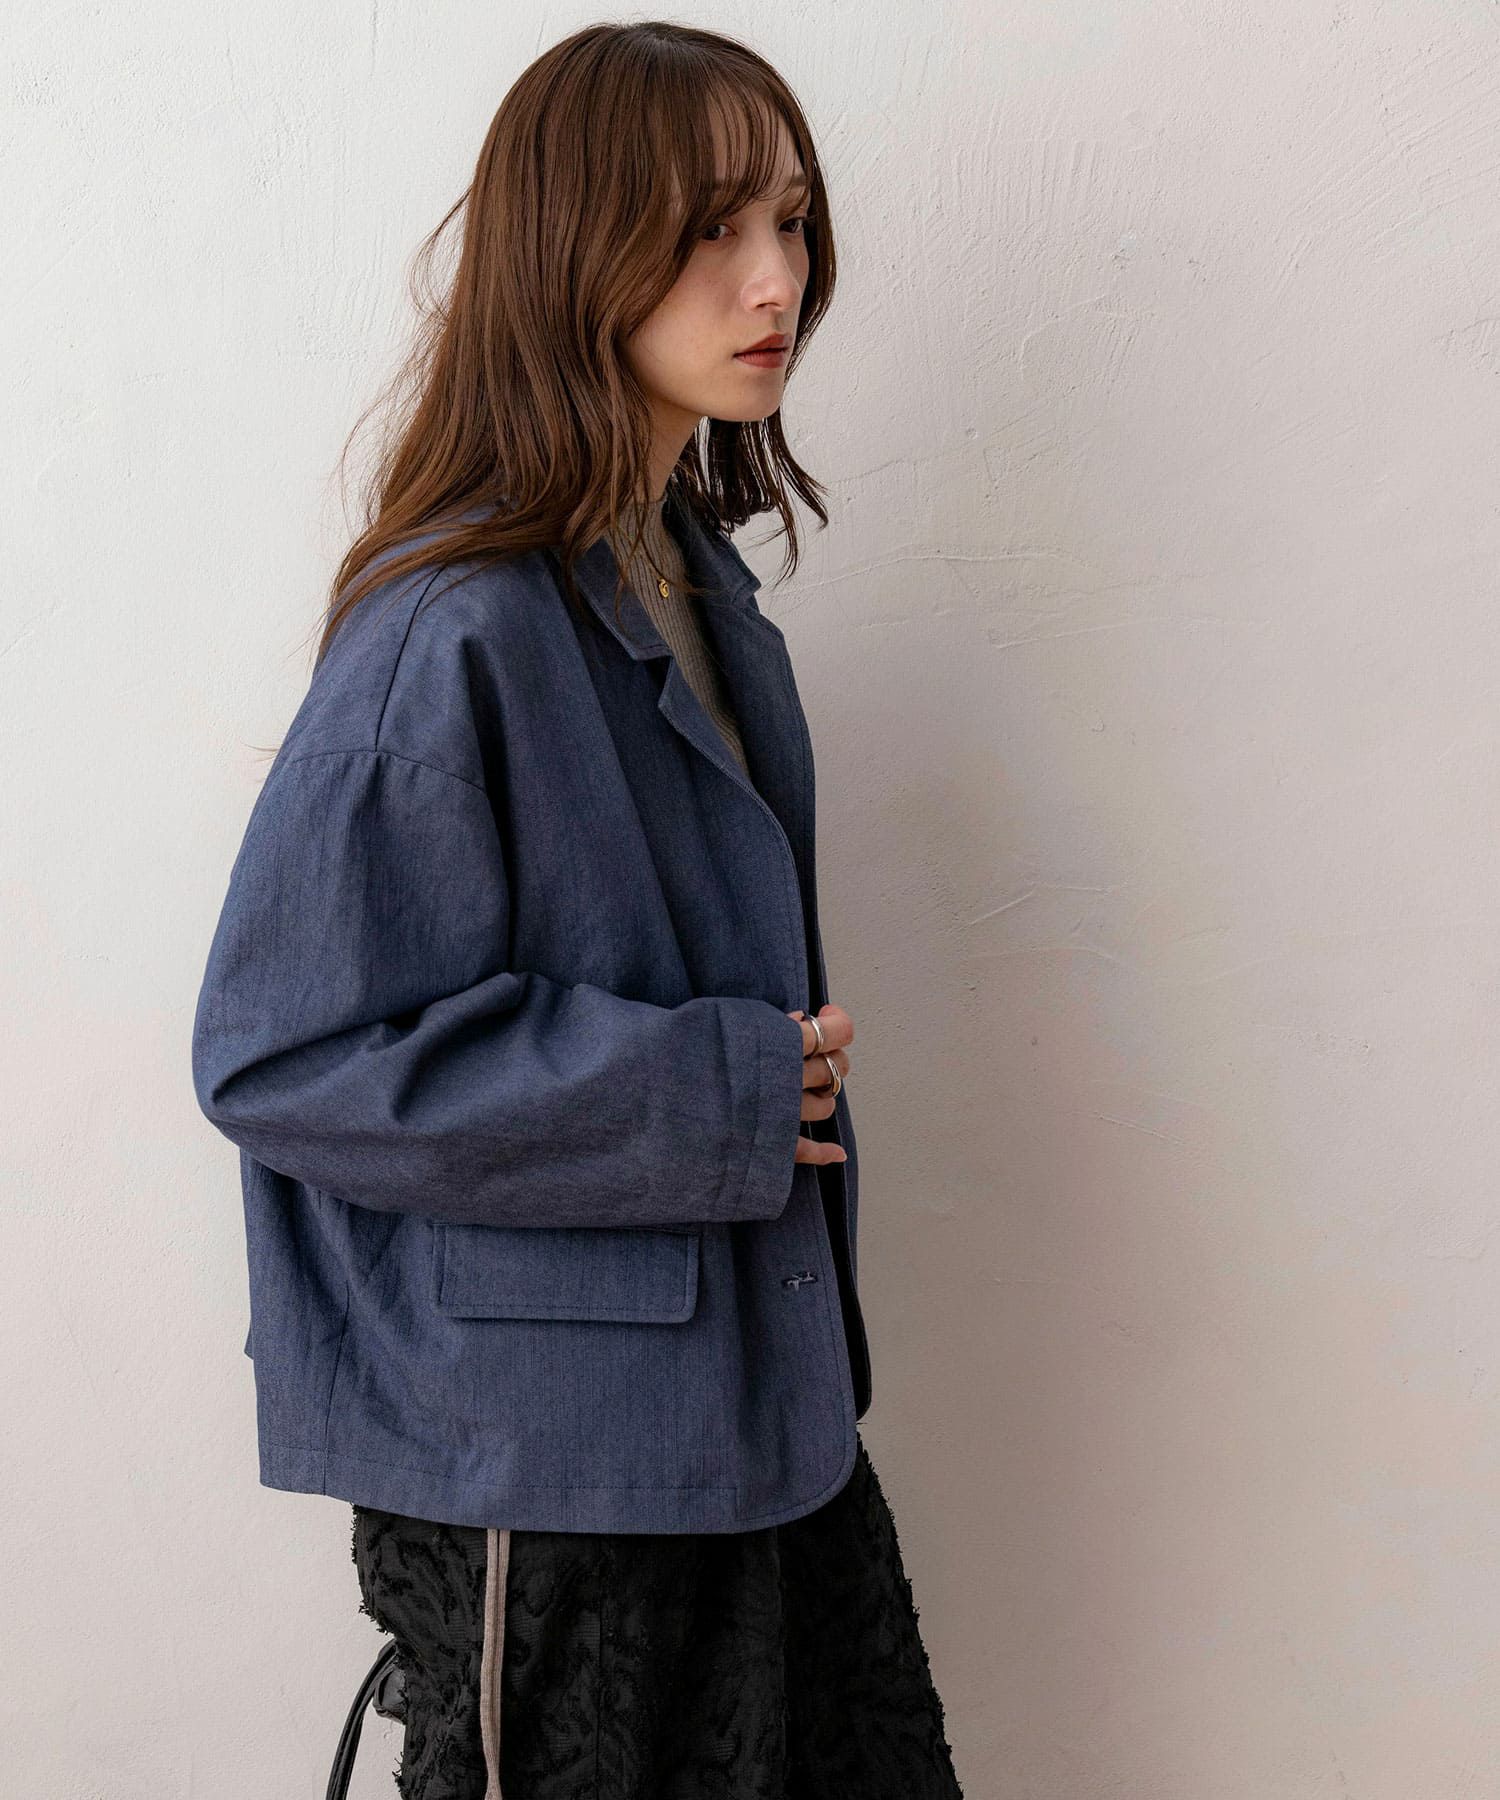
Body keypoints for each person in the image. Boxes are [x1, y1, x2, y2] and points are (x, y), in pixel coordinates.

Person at [191, 19, 963, 1798]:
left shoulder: (689, 579)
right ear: (577, 249)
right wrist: (718, 1090)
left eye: (791, 222)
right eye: (710, 231)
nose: (775, 281)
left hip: (751, 1427)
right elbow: (282, 1053)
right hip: (554, 1480)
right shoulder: (452, 627)